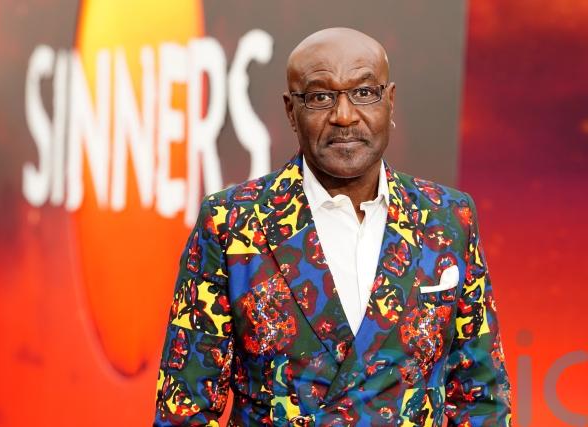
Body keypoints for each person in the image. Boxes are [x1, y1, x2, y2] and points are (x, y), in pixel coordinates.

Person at [153, 27, 511, 427]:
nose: (344, 116)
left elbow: (483, 398)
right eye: (321, 97)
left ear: (390, 101)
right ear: (291, 111)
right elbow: (184, 407)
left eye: (364, 92)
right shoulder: (232, 223)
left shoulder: (446, 218)